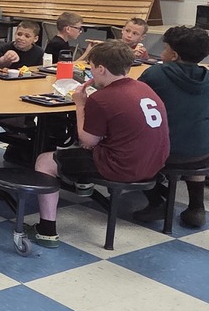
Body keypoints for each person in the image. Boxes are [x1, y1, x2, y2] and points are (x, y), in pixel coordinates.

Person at [29, 41, 170, 249]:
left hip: (123, 167)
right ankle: (82, 182)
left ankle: (46, 230)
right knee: (92, 147)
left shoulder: (103, 98)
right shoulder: (144, 87)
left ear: (101, 69)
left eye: (92, 67)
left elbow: (87, 139)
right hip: (156, 163)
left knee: (44, 161)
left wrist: (80, 104)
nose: (91, 72)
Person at [132, 26, 209, 229]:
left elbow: (132, 100)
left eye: (165, 49)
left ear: (174, 55)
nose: (162, 53)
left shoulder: (156, 74)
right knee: (194, 136)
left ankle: (157, 201)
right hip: (202, 152)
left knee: (125, 145)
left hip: (165, 153)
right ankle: (196, 206)